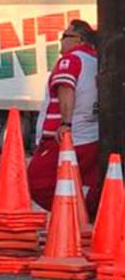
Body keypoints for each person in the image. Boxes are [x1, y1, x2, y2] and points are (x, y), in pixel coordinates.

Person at [27, 19, 101, 215]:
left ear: (79, 39)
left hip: (64, 138)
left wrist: (65, 123)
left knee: (37, 182)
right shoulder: (95, 60)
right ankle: (85, 215)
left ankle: (72, 214)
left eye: (65, 36)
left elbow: (66, 89)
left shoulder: (71, 60)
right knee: (84, 182)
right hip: (90, 135)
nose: (61, 41)